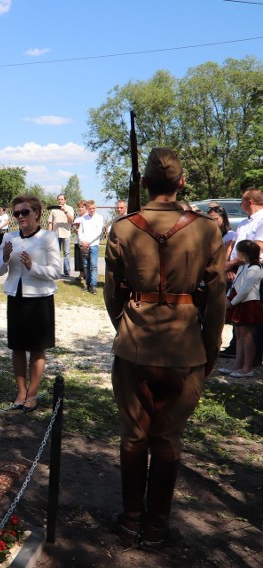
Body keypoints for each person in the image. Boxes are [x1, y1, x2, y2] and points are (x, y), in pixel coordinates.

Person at [104, 147, 225, 546]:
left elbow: (111, 293)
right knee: (169, 439)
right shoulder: (208, 229)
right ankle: (156, 526)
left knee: (134, 437)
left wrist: (125, 327)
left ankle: (131, 520)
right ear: (182, 182)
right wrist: (208, 348)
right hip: (185, 348)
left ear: (143, 184)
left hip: (135, 344)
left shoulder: (122, 227)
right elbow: (218, 297)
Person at [0, 195, 62, 412]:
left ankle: (32, 393)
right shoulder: (9, 238)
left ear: (37, 213)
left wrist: (33, 267)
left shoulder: (48, 238)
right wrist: (4, 258)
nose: (20, 217)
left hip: (40, 298)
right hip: (16, 297)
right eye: (16, 213)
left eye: (25, 212)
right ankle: (21, 391)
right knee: (17, 347)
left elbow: (57, 272)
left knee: (37, 347)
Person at [219, 240, 263, 377]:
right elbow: (235, 284)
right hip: (238, 302)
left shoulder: (255, 268)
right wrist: (227, 297)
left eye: (238, 252)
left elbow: (245, 289)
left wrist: (232, 302)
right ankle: (237, 365)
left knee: (247, 337)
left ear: (243, 253)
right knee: (238, 336)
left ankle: (247, 367)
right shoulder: (244, 266)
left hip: (248, 304)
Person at [78, 200, 104, 294]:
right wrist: (82, 241)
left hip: (93, 245)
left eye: (93, 208)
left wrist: (88, 242)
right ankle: (88, 283)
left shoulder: (99, 218)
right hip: (84, 245)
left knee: (93, 265)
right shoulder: (84, 218)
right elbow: (80, 231)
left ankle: (93, 285)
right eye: (90, 208)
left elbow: (98, 232)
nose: (92, 210)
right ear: (87, 209)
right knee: (86, 265)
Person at [48, 194, 75, 277]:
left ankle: (67, 271)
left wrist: (65, 211)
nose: (60, 201)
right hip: (55, 234)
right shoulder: (54, 210)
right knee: (56, 253)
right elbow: (50, 222)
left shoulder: (69, 208)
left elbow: (72, 220)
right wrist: (49, 234)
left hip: (66, 233)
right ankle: (57, 271)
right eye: (59, 199)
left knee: (66, 253)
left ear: (65, 200)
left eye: (62, 199)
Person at [72, 200, 87, 282]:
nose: (80, 209)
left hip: (84, 240)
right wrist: (75, 230)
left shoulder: (87, 217)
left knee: (84, 258)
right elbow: (74, 227)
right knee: (78, 258)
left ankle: (85, 274)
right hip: (77, 239)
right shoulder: (77, 217)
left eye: (82, 207)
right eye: (79, 207)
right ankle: (81, 273)